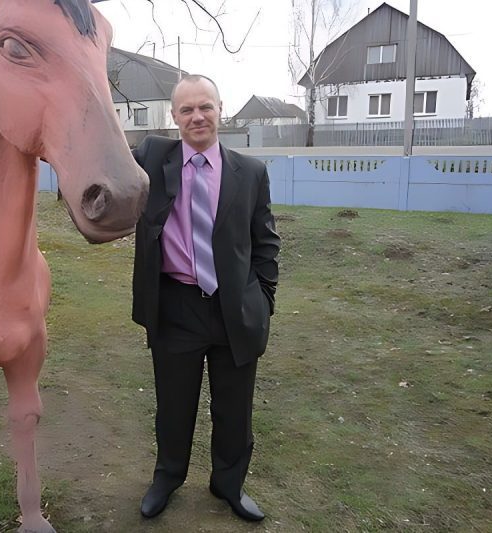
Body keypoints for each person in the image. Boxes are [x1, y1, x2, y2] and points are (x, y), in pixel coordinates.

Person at [131, 74, 281, 522]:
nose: (197, 116)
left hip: (234, 308)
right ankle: (168, 477)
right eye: (187, 109)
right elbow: (100, 155)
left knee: (234, 410)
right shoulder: (152, 157)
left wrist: (263, 301)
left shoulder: (250, 172)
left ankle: (228, 485)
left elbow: (265, 242)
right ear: (174, 117)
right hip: (175, 306)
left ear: (220, 110)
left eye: (205, 107)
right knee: (173, 406)